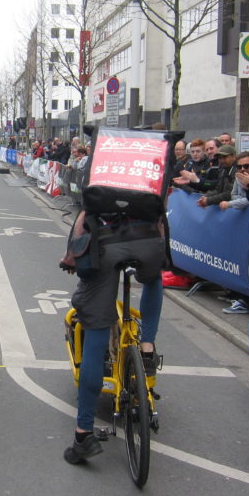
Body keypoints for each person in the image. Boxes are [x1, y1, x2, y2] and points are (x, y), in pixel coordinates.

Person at [60, 180, 169, 465]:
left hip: (105, 244)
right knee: (153, 280)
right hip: (146, 240)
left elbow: (85, 216)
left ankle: (84, 433)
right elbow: (161, 215)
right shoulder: (147, 167)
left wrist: (70, 256)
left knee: (95, 337)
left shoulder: (104, 167)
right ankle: (146, 346)